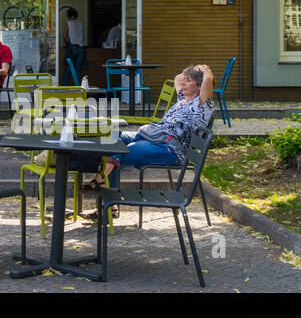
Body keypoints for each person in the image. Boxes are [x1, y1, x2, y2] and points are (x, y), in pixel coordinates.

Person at [84, 65, 215, 210]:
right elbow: (177, 78)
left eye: (188, 81)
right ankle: (106, 193)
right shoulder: (183, 98)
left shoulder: (202, 104)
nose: (183, 83)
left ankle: (103, 187)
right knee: (112, 138)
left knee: (123, 151)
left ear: (199, 86)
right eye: (185, 81)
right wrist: (193, 70)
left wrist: (205, 71)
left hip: (170, 149)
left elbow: (208, 80)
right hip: (151, 137)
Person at [64, 8, 87, 80]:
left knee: (68, 68)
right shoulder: (80, 23)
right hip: (81, 47)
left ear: (68, 15)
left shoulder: (68, 23)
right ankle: (78, 88)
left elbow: (64, 36)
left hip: (73, 47)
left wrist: (68, 44)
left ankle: (66, 87)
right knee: (78, 69)